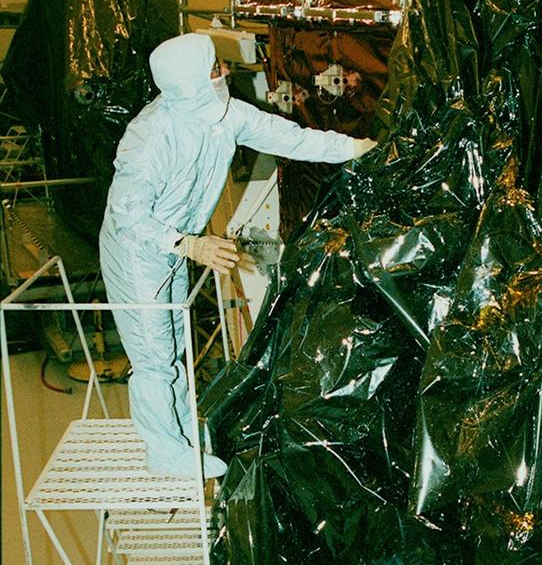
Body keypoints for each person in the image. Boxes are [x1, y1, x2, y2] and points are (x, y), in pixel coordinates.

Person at [100, 31, 375, 479]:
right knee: (153, 357)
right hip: (137, 252)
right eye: (215, 69)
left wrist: (350, 148)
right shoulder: (150, 137)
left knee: (173, 347)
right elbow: (127, 214)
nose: (226, 72)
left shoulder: (222, 114)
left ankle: (183, 430)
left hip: (177, 245)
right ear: (189, 82)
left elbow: (286, 136)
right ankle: (164, 455)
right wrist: (188, 244)